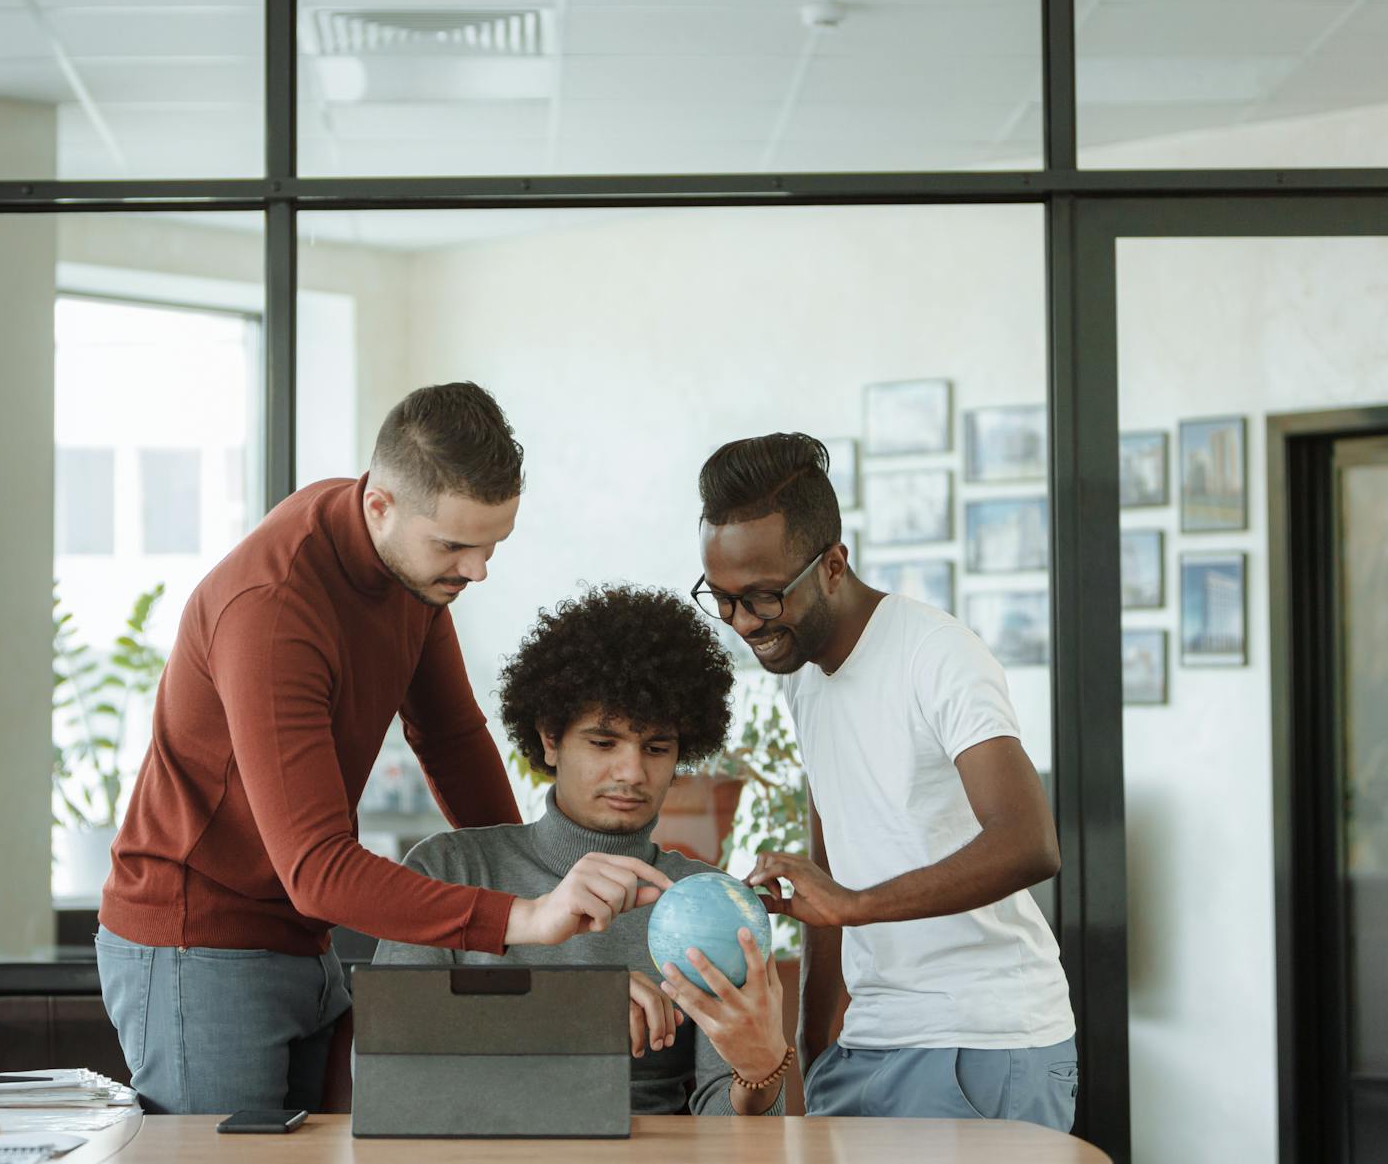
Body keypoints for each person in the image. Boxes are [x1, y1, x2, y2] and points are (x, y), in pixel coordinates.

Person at [96, 383, 674, 1114]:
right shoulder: (275, 610)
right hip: (198, 941)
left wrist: (536, 881)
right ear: (380, 505)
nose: (477, 571)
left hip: (302, 941)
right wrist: (521, 918)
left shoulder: (409, 570)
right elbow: (316, 868)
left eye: (492, 546)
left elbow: (453, 740)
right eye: (455, 546)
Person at [692, 433, 1077, 1130]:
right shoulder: (806, 681)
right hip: (862, 1049)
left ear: (834, 565)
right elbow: (830, 865)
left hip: (980, 1043)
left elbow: (1029, 842)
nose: (744, 623)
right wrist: (812, 1044)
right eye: (721, 599)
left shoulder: (936, 654)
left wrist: (854, 905)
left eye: (765, 596)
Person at [377, 584, 790, 1117]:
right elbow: (388, 1071)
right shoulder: (448, 870)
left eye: (658, 748)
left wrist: (759, 1076)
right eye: (602, 743)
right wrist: (573, 1011)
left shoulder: (705, 903)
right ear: (549, 739)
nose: (632, 773)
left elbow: (731, 1127)